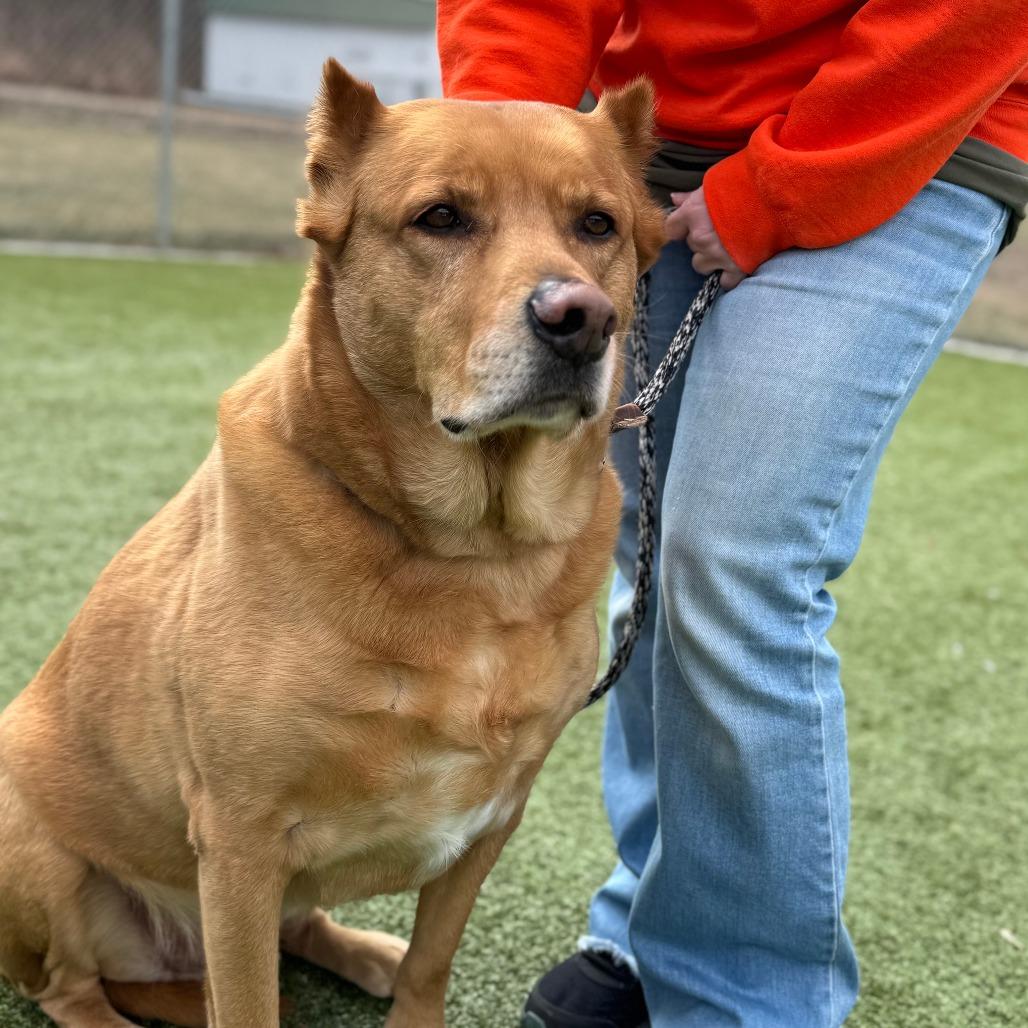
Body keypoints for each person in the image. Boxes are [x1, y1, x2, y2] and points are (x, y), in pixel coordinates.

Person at [436, 3, 1028, 1026]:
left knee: (731, 551)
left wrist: (774, 188)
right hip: (646, 139)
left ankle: (748, 1001)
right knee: (645, 538)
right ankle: (650, 925)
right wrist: (507, 146)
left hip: (911, 117)